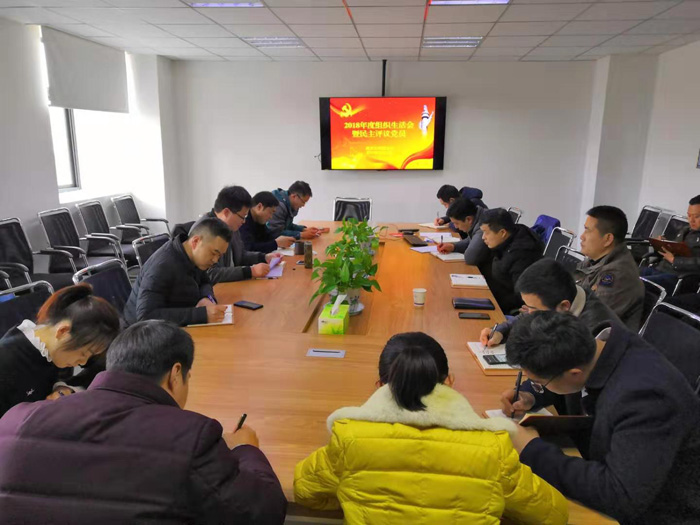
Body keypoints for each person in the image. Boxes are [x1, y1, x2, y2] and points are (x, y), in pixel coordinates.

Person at [0, 320, 287, 523]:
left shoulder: (18, 419)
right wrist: (246, 450)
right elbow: (263, 512)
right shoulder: (192, 436)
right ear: (176, 374)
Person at [294, 332, 568, 525]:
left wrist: (351, 497)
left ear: (380, 386)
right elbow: (554, 514)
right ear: (449, 382)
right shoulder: (492, 447)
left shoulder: (349, 437)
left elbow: (304, 490)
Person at [506, 312, 700, 525]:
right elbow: (571, 380)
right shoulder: (597, 348)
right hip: (619, 469)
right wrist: (532, 395)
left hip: (662, 510)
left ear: (574, 373)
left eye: (539, 383)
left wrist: (533, 451)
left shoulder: (646, 398)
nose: (538, 386)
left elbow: (619, 495)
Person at [0, 284, 120, 417]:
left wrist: (61, 387)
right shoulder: (8, 361)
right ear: (63, 331)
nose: (82, 362)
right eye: (83, 354)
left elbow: (53, 378)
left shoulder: (54, 349)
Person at [123, 217, 231, 327]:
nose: (215, 260)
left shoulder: (194, 256)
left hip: (173, 326)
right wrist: (201, 314)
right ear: (195, 242)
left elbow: (205, 281)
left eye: (219, 255)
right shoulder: (162, 266)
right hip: (141, 333)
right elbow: (146, 316)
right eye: (214, 253)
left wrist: (205, 298)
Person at [173, 186, 281, 282]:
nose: (244, 221)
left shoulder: (231, 226)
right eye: (242, 217)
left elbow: (240, 256)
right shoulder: (206, 230)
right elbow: (209, 274)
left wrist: (263, 257)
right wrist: (250, 271)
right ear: (226, 212)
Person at [574, 206, 644, 331]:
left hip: (601, 339)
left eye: (587, 230)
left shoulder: (618, 275)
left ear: (607, 239)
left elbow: (593, 320)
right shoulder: (593, 261)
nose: (582, 236)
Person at [479, 208, 544, 313]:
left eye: (486, 233)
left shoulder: (522, 254)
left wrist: (488, 298)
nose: (483, 237)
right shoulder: (510, 236)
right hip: (496, 293)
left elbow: (520, 296)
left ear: (502, 233)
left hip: (504, 306)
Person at [641, 195, 700, 293]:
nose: (691, 220)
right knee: (625, 274)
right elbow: (675, 249)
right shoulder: (685, 230)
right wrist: (662, 244)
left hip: (679, 277)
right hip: (661, 269)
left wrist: (674, 260)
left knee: (636, 284)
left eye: (697, 216)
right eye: (689, 215)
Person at [435, 197, 490, 266]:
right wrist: (453, 246)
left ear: (468, 219)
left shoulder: (483, 227)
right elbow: (470, 239)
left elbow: (470, 258)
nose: (455, 227)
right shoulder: (478, 217)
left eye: (456, 223)